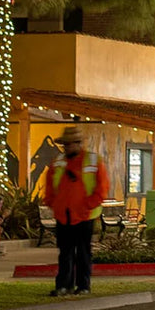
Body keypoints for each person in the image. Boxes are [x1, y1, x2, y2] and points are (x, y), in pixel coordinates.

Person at [42, 124, 109, 297]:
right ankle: (64, 285)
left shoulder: (93, 161)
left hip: (84, 215)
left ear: (78, 143)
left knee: (83, 253)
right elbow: (50, 187)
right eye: (65, 144)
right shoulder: (58, 162)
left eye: (70, 144)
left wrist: (87, 205)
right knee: (65, 253)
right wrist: (53, 204)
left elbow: (101, 188)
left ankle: (83, 285)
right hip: (64, 215)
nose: (67, 147)